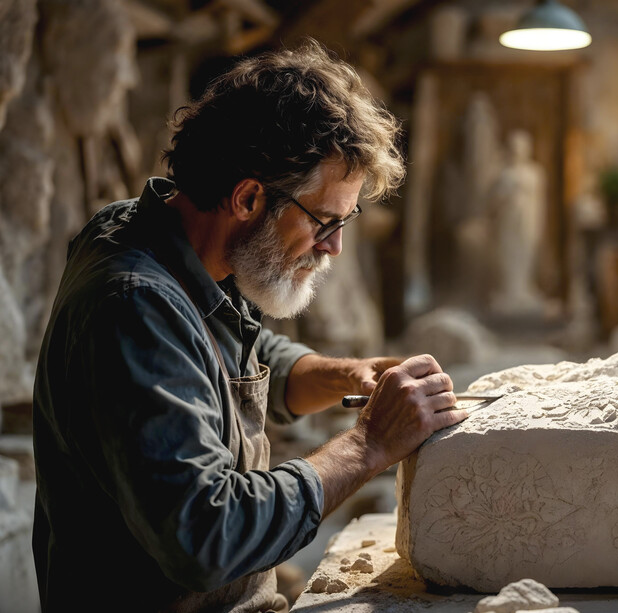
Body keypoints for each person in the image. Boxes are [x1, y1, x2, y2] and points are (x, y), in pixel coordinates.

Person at [32, 40, 467, 612]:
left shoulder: (171, 241)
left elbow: (227, 346)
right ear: (248, 197)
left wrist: (344, 374)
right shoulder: (132, 305)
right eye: (324, 220)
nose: (333, 246)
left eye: (346, 220)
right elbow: (205, 537)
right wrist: (368, 445)